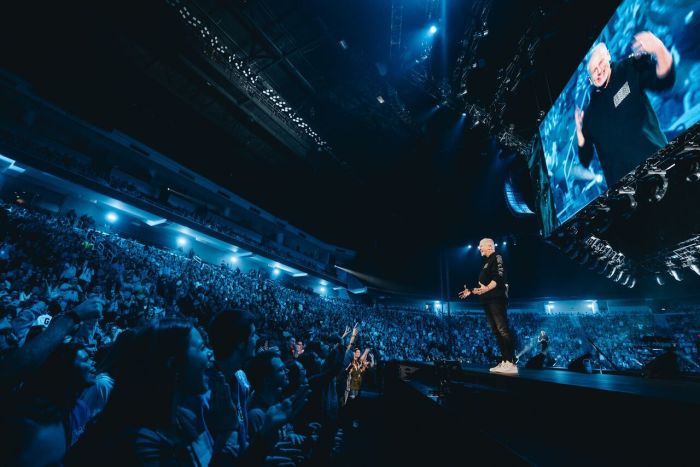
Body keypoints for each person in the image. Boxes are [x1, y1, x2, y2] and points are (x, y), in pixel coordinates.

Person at [575, 32, 675, 184]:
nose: (599, 71)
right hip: (625, 192)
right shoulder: (590, 114)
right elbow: (585, 158)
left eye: (600, 63)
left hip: (658, 166)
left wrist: (659, 49)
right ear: (590, 79)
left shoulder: (629, 69)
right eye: (594, 70)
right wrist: (580, 132)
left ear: (608, 56)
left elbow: (664, 81)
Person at [458, 238, 517, 375]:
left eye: (481, 246)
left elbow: (499, 276)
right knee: (496, 331)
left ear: (490, 246)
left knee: (502, 329)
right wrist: (471, 291)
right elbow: (482, 286)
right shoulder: (486, 262)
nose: (479, 249)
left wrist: (486, 289)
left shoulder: (497, 257)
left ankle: (511, 361)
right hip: (487, 300)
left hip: (496, 299)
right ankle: (505, 361)